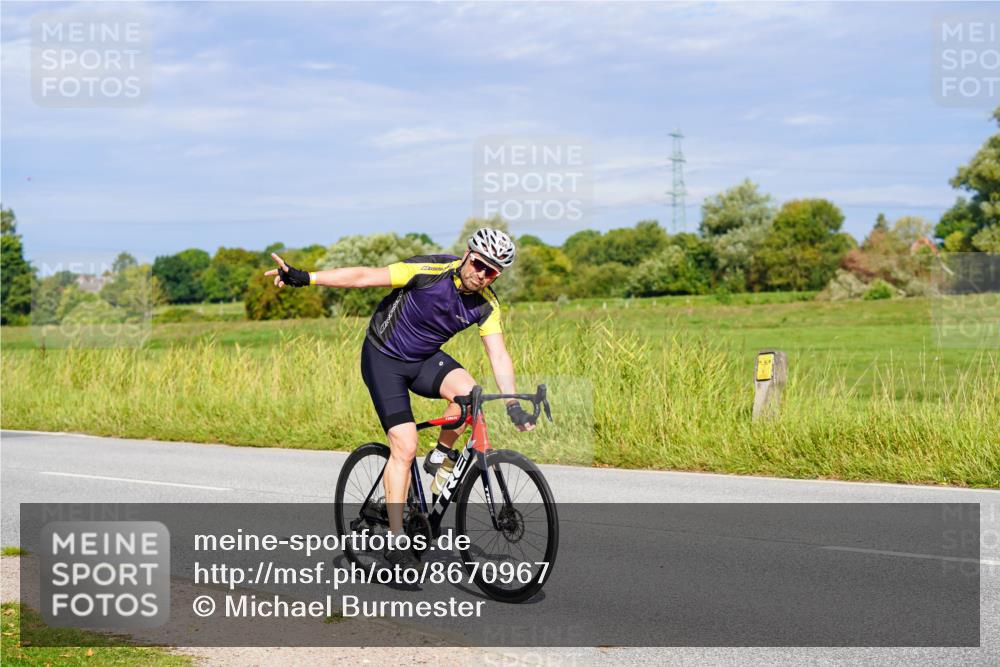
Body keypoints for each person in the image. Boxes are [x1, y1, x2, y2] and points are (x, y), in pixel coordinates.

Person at [265, 228, 536, 570]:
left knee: (471, 395)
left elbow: (498, 355)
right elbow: (364, 277)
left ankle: (441, 455)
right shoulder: (427, 271)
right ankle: (396, 540)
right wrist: (307, 278)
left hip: (423, 359)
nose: (482, 275)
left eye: (492, 272)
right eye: (480, 264)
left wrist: (512, 404)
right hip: (383, 358)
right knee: (405, 445)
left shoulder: (487, 305)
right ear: (468, 253)